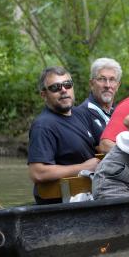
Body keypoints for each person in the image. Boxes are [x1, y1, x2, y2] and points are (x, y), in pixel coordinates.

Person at [28, 66, 100, 203]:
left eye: (67, 85)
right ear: (44, 95)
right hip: (62, 203)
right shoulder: (43, 126)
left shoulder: (81, 114)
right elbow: (37, 173)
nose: (63, 90)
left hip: (89, 194)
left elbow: (102, 144)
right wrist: (83, 168)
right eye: (55, 87)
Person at [79, 58, 122, 142]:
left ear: (118, 85)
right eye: (102, 79)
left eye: (112, 80)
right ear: (91, 84)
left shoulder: (121, 113)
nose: (107, 85)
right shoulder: (81, 114)